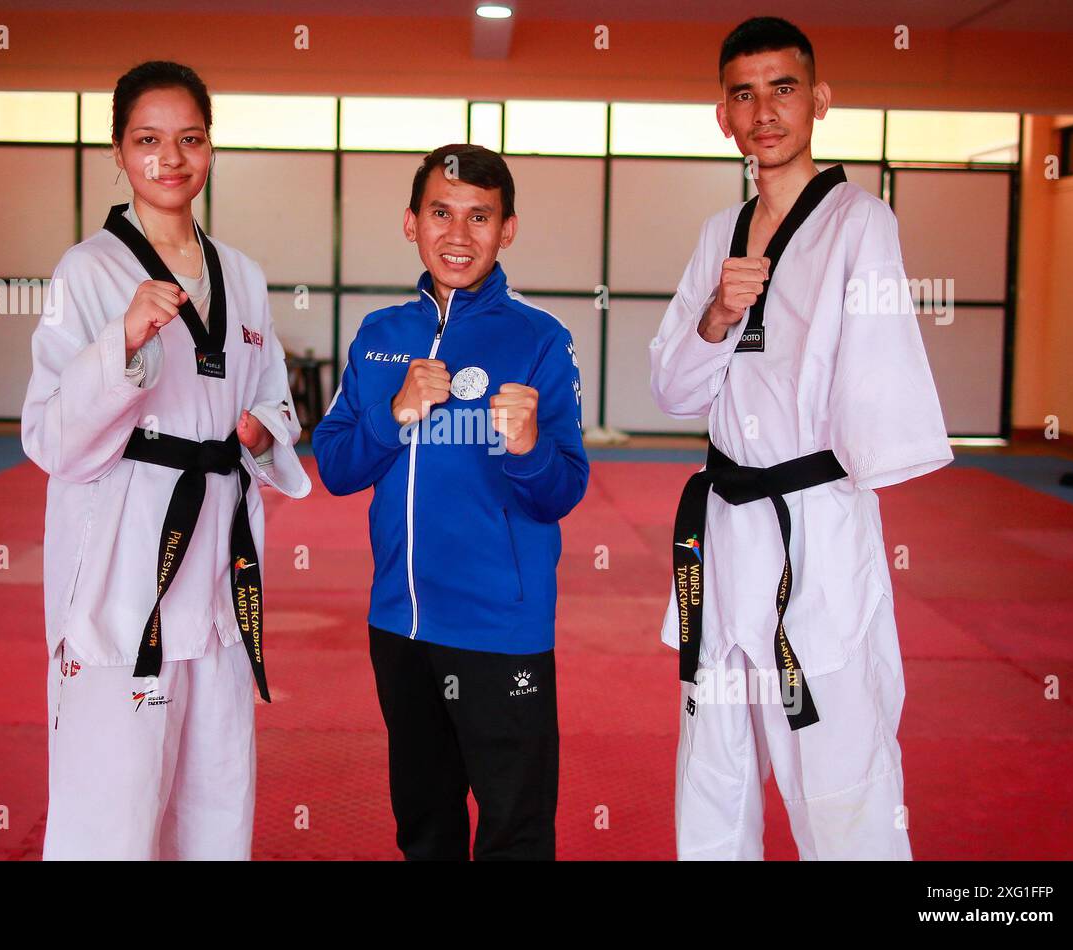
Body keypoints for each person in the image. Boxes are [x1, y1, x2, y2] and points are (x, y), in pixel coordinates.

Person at [649, 17, 952, 860]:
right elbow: (673, 389)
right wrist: (716, 314)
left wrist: (845, 482)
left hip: (815, 525)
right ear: (724, 116)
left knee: (838, 760)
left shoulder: (861, 223)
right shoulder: (719, 234)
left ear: (818, 100)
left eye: (783, 88)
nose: (764, 111)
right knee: (713, 765)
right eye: (743, 93)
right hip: (722, 526)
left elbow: (878, 403)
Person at [20, 61, 310, 860]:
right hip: (122, 579)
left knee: (217, 805)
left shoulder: (243, 277)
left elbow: (278, 401)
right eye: (148, 139)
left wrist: (261, 429)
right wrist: (123, 340)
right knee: (110, 812)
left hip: (215, 579)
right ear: (118, 150)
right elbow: (49, 436)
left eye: (188, 138)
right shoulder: (86, 273)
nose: (170, 157)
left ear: (210, 147)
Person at [313, 144, 588, 860]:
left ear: (508, 230)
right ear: (412, 222)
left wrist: (527, 450)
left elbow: (563, 491)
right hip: (401, 625)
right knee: (426, 828)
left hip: (502, 629)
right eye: (441, 213)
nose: (458, 236)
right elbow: (337, 466)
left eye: (479, 217)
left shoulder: (540, 341)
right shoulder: (381, 338)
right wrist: (394, 412)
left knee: (515, 833)